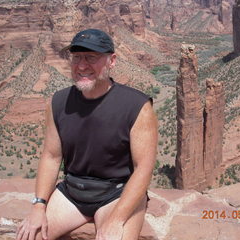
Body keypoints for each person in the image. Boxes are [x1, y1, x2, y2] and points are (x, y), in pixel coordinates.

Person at [16, 29, 158, 240]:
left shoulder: (137, 106)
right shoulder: (58, 102)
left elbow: (143, 168)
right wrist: (39, 206)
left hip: (117, 193)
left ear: (112, 61)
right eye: (77, 57)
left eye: (91, 57)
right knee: (30, 236)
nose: (82, 66)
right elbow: (51, 156)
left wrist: (116, 219)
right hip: (73, 192)